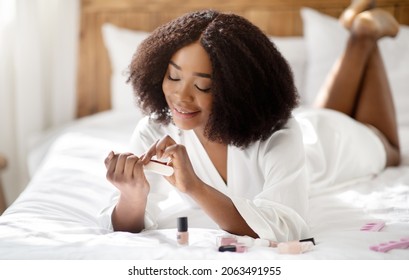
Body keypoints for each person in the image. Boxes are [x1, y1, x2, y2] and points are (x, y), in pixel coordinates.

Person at [102, 0, 400, 242]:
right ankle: (360, 35)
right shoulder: (156, 129)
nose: (181, 97)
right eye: (174, 77)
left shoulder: (278, 134)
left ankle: (364, 36)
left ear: (236, 87)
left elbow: (288, 228)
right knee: (325, 113)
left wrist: (195, 187)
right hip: (307, 128)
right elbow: (126, 224)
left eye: (203, 86)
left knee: (389, 149)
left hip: (329, 148)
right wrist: (132, 196)